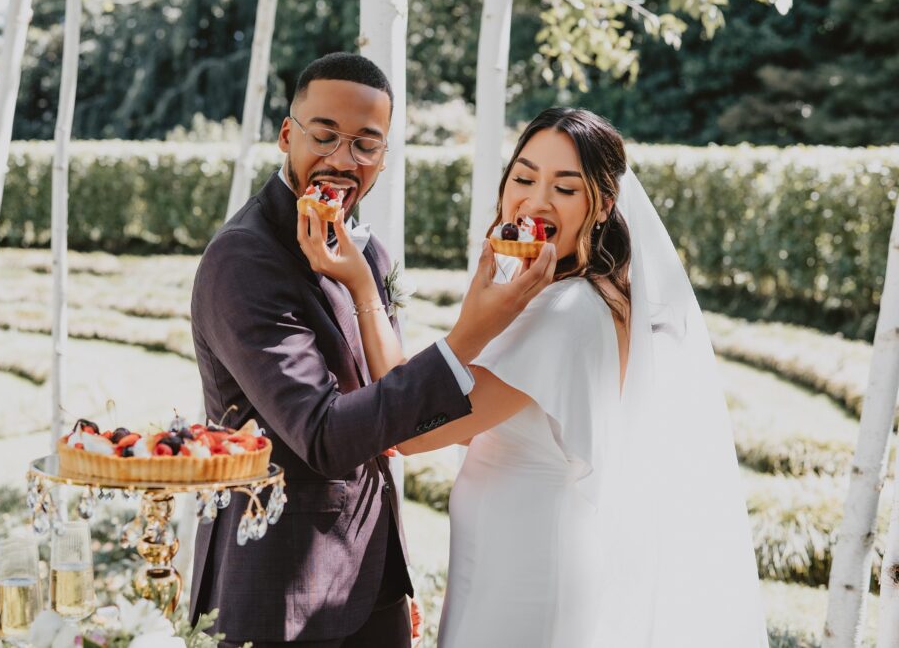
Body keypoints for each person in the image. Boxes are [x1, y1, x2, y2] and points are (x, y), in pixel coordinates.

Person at [302, 107, 768, 647]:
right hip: (507, 555)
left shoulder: (566, 315)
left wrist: (363, 288)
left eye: (565, 188)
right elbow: (440, 393)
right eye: (523, 178)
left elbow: (411, 432)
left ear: (603, 205)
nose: (536, 200)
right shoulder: (567, 294)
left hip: (526, 568)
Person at [189, 52, 556, 648]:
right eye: (325, 136)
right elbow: (326, 436)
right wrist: (468, 337)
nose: (341, 160)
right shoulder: (243, 261)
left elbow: (393, 408)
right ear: (287, 134)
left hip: (371, 580)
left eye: (366, 144)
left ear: (384, 157)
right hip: (280, 589)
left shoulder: (371, 255)